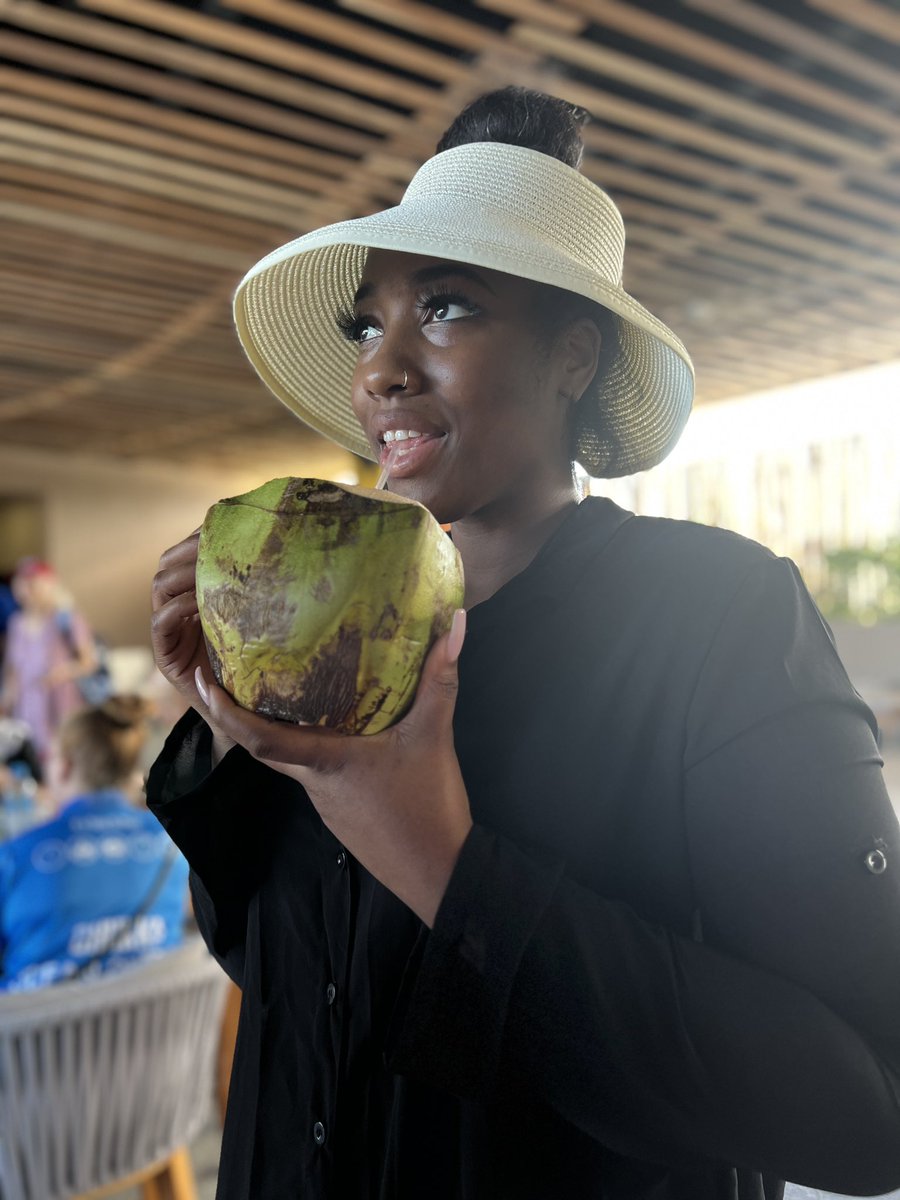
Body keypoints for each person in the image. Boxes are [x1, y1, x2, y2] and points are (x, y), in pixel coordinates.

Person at [147, 88, 900, 1200]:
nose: (381, 368)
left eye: (446, 308)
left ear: (575, 360)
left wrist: (445, 864)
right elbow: (280, 970)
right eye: (370, 322)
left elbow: (863, 1112)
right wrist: (229, 733)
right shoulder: (333, 629)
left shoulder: (720, 614)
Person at [0, 695, 189, 991]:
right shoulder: (173, 845)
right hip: (155, 1029)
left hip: (40, 1034)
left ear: (64, 766)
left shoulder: (15, 857)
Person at [0, 558, 97, 762]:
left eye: (34, 583)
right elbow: (12, 670)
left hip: (61, 704)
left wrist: (61, 672)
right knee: (31, 760)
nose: (28, 590)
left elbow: (89, 662)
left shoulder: (66, 618)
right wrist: (5, 703)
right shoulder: (16, 624)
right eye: (23, 584)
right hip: (26, 707)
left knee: (62, 759)